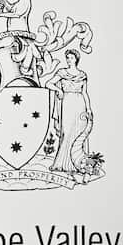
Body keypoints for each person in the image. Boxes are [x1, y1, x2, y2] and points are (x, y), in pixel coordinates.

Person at [45, 49, 95, 179]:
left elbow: (85, 93)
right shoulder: (62, 72)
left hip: (80, 105)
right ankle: (63, 163)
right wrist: (58, 89)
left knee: (79, 132)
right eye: (67, 57)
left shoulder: (82, 75)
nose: (69, 60)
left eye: (71, 57)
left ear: (76, 59)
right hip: (67, 103)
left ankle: (78, 163)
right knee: (66, 132)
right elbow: (48, 83)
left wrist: (88, 109)